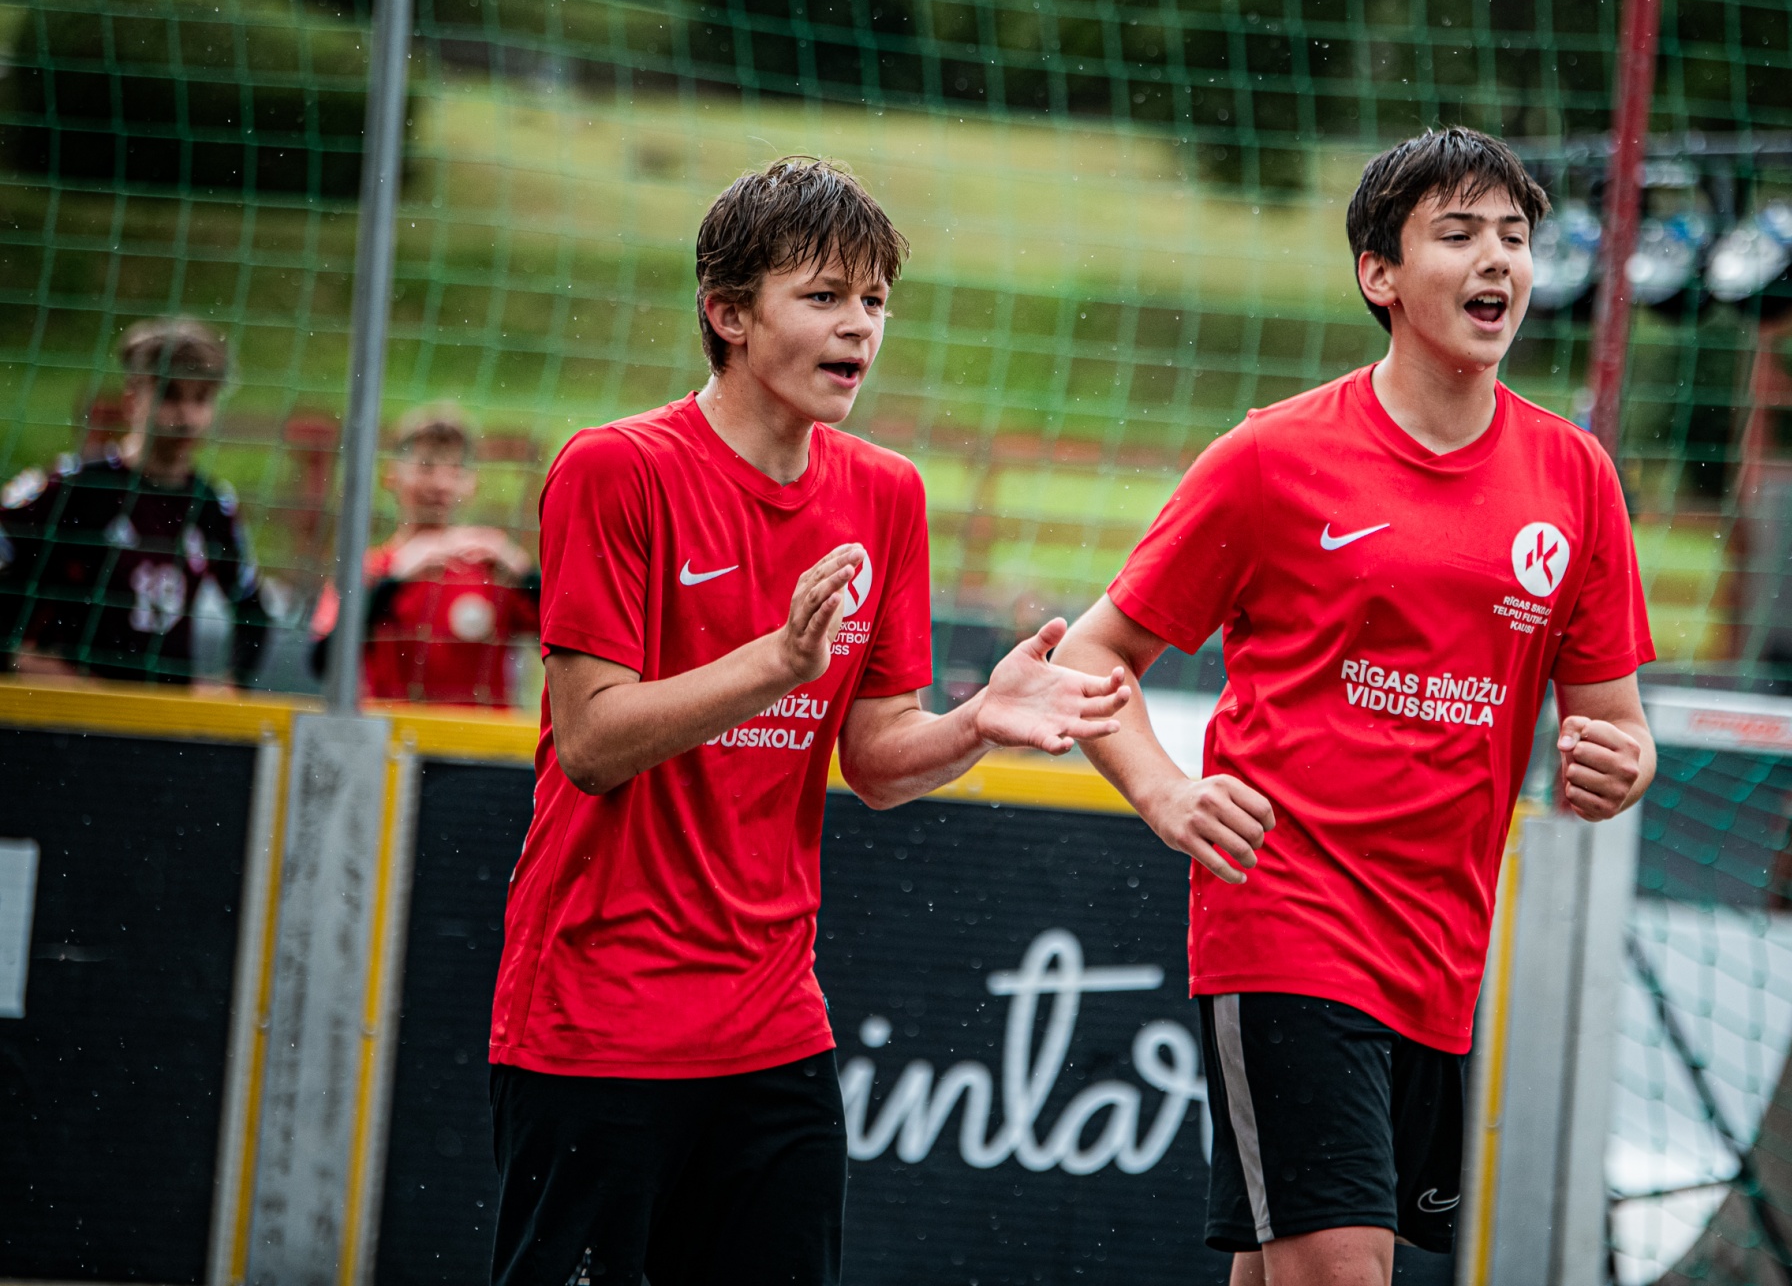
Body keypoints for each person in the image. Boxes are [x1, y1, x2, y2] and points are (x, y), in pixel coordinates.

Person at [488, 156, 1131, 1286]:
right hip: (598, 1019)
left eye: (874, 300)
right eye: (824, 296)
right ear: (727, 313)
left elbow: (876, 762)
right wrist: (776, 667)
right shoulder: (616, 470)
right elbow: (589, 746)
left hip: (773, 1028)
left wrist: (979, 721)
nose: (859, 327)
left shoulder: (887, 493)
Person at [1051, 127, 1660, 1286]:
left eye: (1515, 237)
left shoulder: (1575, 476)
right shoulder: (1272, 458)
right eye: (1459, 234)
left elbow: (1619, 724)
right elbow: (1092, 658)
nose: (1497, 260)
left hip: (1440, 946)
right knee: (1341, 1266)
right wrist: (1168, 796)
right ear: (1379, 274)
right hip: (1284, 915)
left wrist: (1623, 764)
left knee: (1289, 1265)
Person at [0, 316, 269, 687]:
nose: (187, 417)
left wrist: (230, 685)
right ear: (133, 400)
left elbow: (254, 611)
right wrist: (16, 659)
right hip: (69, 707)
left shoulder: (212, 503)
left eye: (202, 398)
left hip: (161, 712)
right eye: (170, 396)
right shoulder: (73, 485)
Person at [308, 403, 539, 707]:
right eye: (425, 466)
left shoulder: (492, 567)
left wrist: (526, 574)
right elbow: (321, 661)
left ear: (473, 483)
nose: (440, 483)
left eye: (455, 470)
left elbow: (568, 638)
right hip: (395, 734)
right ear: (391, 475)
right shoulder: (370, 568)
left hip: (479, 737)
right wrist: (392, 583)